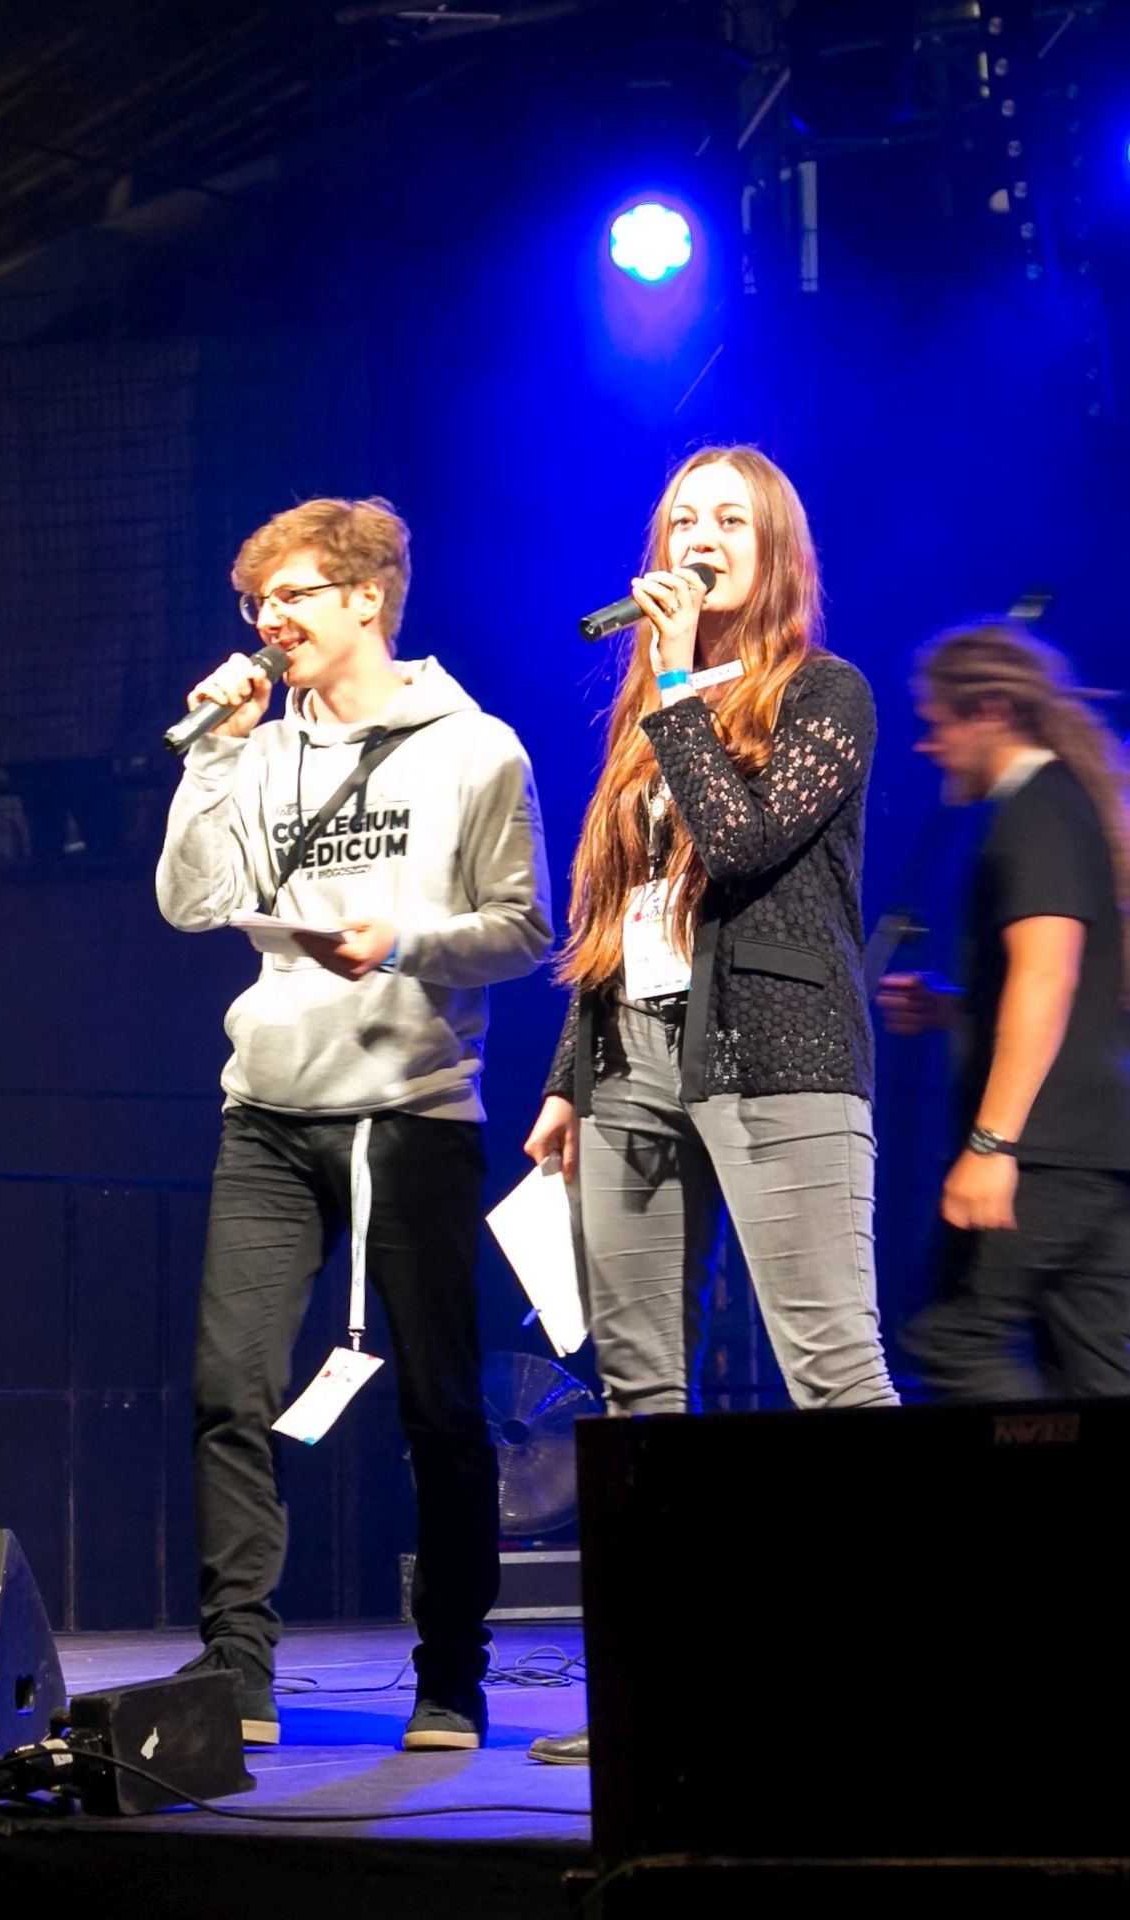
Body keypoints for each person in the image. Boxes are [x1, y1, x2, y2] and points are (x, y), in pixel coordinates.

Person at [155, 496, 552, 1751]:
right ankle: (238, 1668)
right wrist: (211, 757)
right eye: (256, 602)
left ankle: (452, 1676)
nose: (268, 620)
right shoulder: (262, 752)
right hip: (269, 1112)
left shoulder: (477, 748)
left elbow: (524, 930)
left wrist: (402, 942)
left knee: (439, 1405)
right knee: (230, 1388)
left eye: (292, 595)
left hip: (412, 1115)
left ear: (367, 598)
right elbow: (190, 905)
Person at [523, 445, 897, 1766]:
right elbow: (623, 910)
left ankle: (897, 1668)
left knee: (832, 1372)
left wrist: (679, 684)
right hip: (628, 1063)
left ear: (774, 549)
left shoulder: (825, 695)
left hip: (779, 1055)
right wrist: (566, 1081)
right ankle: (651, 1695)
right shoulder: (648, 710)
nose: (701, 537)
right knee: (640, 1393)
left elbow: (739, 845)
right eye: (683, 517)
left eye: (730, 520)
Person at [876, 623, 1130, 1399]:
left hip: (1038, 1155)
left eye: (936, 724)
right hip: (1096, 1152)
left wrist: (990, 1145)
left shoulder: (1036, 810)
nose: (926, 746)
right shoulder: (1067, 802)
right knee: (1096, 1376)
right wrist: (957, 1008)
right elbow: (1066, 985)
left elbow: (1046, 976)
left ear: (989, 710)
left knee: (953, 1342)